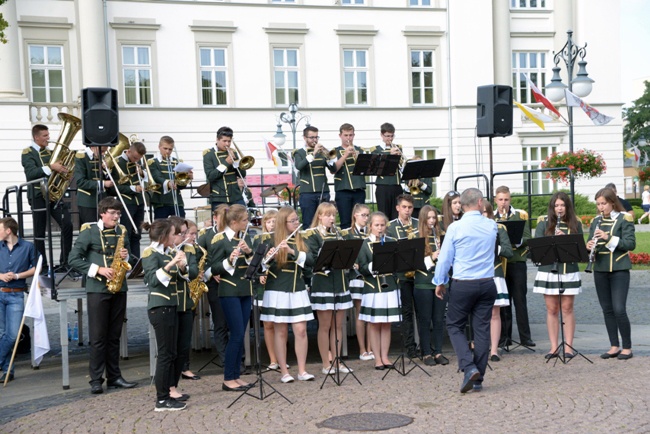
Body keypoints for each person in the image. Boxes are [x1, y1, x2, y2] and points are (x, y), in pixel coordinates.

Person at [68, 197, 137, 394]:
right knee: (98, 337)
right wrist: (98, 269)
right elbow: (73, 258)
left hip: (118, 287)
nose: (117, 217)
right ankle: (96, 380)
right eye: (113, 213)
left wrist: (126, 257)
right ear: (102, 213)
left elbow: (130, 258)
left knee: (114, 336)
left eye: (119, 214)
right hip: (97, 289)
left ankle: (114, 377)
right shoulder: (89, 232)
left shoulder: (122, 231)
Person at [434, 188, 497, 393]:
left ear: (462, 204)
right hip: (487, 282)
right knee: (481, 329)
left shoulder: (455, 228)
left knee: (454, 325)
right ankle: (478, 377)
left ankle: (469, 368)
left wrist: (440, 281)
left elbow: (445, 258)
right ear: (480, 203)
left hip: (464, 283)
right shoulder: (491, 225)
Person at [260, 207, 315, 382]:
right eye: (292, 221)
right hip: (277, 290)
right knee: (281, 331)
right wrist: (268, 259)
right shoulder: (268, 239)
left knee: (301, 330)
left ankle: (302, 370)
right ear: (284, 222)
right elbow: (259, 266)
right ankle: (284, 371)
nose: (296, 223)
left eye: (296, 220)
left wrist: (292, 252)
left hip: (297, 289)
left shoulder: (302, 238)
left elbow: (311, 260)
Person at [208, 204, 254, 391]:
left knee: (241, 334)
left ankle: (236, 375)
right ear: (234, 222)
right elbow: (213, 269)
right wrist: (229, 260)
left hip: (245, 289)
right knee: (235, 335)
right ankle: (228, 378)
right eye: (244, 220)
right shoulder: (219, 240)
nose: (247, 223)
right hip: (229, 291)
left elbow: (254, 264)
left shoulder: (245, 237)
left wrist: (249, 252)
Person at [304, 202, 354, 375]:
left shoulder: (338, 233)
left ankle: (338, 361)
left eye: (333, 215)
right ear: (319, 216)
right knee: (325, 326)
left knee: (338, 326)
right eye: (328, 215)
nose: (332, 218)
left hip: (340, 282)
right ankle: (326, 362)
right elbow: (312, 258)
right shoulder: (312, 234)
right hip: (323, 283)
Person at [141, 219, 186, 411]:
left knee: (171, 353)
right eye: (173, 233)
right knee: (165, 355)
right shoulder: (150, 252)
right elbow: (151, 279)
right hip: (160, 307)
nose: (176, 237)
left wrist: (182, 265)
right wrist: (172, 264)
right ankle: (161, 399)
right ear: (163, 236)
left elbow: (180, 277)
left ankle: (167, 394)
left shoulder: (166, 253)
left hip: (171, 305)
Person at [587, 187, 636, 360]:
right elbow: (590, 241)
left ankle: (627, 347)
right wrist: (589, 245)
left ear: (612, 203)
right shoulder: (596, 221)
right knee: (607, 309)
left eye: (604, 204)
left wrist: (609, 238)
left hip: (619, 269)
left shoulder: (624, 219)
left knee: (619, 309)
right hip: (600, 269)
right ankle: (614, 345)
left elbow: (630, 244)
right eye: (598, 204)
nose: (601, 207)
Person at [532, 192, 583, 359]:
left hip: (568, 270)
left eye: (562, 205)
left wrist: (566, 239)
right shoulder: (544, 224)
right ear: (552, 208)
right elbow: (538, 247)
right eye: (556, 206)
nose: (559, 209)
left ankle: (568, 346)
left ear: (567, 207)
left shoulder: (575, 223)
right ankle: (554, 346)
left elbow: (580, 247)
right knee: (552, 309)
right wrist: (552, 239)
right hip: (549, 270)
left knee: (567, 308)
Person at [21, 124, 73, 273]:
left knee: (67, 224)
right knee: (39, 232)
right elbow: (31, 173)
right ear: (36, 137)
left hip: (53, 195)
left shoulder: (50, 152)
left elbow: (57, 171)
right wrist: (51, 167)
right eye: (45, 136)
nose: (48, 138)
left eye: (48, 135)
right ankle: (41, 265)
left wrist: (63, 170)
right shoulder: (28, 153)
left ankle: (65, 262)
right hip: (38, 195)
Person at [356, 212, 400, 370]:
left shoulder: (392, 241)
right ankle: (377, 359)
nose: (380, 228)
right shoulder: (363, 244)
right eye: (376, 225)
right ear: (370, 227)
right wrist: (374, 264)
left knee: (387, 323)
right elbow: (361, 267)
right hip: (373, 287)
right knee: (374, 324)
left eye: (382, 225)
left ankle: (385, 356)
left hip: (389, 286)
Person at [494, 185, 535, 348]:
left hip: (517, 260)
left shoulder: (520, 215)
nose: (503, 203)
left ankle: (525, 337)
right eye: (500, 200)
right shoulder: (492, 217)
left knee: (520, 300)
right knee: (504, 302)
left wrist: (514, 238)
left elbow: (527, 238)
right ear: (495, 200)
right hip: (501, 262)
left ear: (510, 199)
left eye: (506, 199)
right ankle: (505, 337)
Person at [0, 217, 36, 383]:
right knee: (2, 334)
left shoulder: (28, 247)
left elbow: (37, 267)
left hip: (16, 294)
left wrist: (17, 275)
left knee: (13, 335)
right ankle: (8, 370)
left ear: (8, 231)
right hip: (0, 292)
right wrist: (1, 275)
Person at [413, 205, 448, 366]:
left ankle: (438, 351)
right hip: (423, 283)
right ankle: (426, 352)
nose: (432, 221)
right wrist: (432, 257)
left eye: (434, 218)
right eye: (429, 218)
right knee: (425, 319)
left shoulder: (441, 236)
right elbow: (413, 262)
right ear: (423, 219)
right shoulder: (415, 236)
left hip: (439, 281)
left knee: (439, 319)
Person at [167, 216, 197, 401]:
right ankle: (168, 387)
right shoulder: (162, 250)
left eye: (187, 232)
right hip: (168, 303)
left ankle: (174, 385)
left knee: (183, 347)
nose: (186, 236)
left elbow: (193, 272)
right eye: (182, 233)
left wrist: (184, 266)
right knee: (169, 349)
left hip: (185, 303)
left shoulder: (189, 249)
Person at [386, 194, 418, 358]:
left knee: (422, 312)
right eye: (404, 207)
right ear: (398, 208)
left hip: (419, 275)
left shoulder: (419, 224)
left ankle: (425, 347)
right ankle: (410, 347)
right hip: (402, 276)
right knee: (406, 312)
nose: (407, 210)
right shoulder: (390, 227)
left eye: (410, 207)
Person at [197, 205, 229, 366]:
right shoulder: (206, 235)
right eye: (222, 217)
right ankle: (225, 359)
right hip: (215, 284)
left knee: (235, 323)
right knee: (220, 322)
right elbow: (198, 258)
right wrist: (210, 272)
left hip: (232, 282)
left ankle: (239, 357)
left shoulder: (235, 234)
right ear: (215, 218)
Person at [341, 203, 373, 361]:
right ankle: (362, 349)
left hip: (371, 276)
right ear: (355, 215)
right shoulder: (347, 233)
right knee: (361, 313)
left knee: (371, 313)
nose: (366, 218)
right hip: (356, 277)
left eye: (368, 215)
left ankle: (371, 347)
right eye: (363, 215)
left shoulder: (371, 232)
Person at [482, 202, 513, 362]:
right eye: (481, 213)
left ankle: (494, 350)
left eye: (486, 213)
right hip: (477, 273)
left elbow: (509, 251)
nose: (484, 216)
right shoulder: (473, 229)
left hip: (494, 271)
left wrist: (496, 248)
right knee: (479, 313)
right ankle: (481, 347)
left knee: (495, 313)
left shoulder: (499, 228)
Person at [251, 209, 281, 370]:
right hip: (263, 285)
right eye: (269, 222)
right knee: (268, 324)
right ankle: (273, 360)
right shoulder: (259, 239)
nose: (272, 225)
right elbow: (255, 260)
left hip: (278, 283)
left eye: (275, 221)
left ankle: (281, 358)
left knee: (280, 324)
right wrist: (260, 274)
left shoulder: (283, 239)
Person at [113, 141, 148, 259]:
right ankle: (126, 262)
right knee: (126, 233)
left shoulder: (138, 163)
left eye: (138, 158)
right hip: (126, 202)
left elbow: (146, 182)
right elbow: (114, 187)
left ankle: (136, 261)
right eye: (134, 157)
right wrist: (133, 188)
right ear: (128, 151)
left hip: (139, 202)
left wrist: (142, 174)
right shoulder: (118, 162)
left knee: (137, 234)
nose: (136, 160)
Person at [328, 123, 366, 229]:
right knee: (345, 222)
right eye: (346, 135)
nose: (348, 138)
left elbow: (366, 170)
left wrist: (358, 157)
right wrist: (345, 155)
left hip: (358, 190)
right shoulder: (333, 152)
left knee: (360, 221)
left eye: (351, 135)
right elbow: (333, 170)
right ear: (340, 135)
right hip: (343, 190)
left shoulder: (360, 150)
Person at [203, 126, 248, 210]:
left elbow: (242, 174)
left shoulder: (233, 152)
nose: (227, 144)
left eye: (229, 141)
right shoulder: (209, 154)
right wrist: (226, 162)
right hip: (219, 197)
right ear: (217, 139)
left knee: (241, 217)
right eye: (224, 141)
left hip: (236, 196)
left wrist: (237, 162)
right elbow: (211, 176)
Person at [293, 126, 331, 227]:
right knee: (308, 223)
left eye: (316, 137)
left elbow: (333, 170)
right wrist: (314, 153)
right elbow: (299, 166)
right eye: (312, 137)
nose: (315, 140)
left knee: (324, 223)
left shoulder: (322, 152)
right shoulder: (299, 152)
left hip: (323, 192)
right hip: (307, 193)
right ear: (305, 138)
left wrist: (330, 159)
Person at [148, 136, 193, 219]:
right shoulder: (153, 162)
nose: (167, 151)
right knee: (161, 228)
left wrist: (187, 178)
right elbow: (157, 177)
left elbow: (181, 186)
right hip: (161, 200)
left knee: (180, 225)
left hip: (176, 200)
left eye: (170, 149)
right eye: (165, 148)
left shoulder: (177, 162)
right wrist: (168, 183)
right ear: (159, 147)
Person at [181, 220, 202, 381]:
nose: (194, 237)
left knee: (186, 333)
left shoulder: (195, 249)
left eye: (196, 233)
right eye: (192, 233)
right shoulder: (181, 249)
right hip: (179, 293)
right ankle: (180, 367)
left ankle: (185, 366)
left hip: (191, 293)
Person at [371, 122, 403, 220]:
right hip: (383, 186)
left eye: (392, 136)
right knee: (383, 216)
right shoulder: (375, 149)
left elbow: (401, 166)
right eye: (387, 136)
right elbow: (375, 166)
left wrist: (400, 159)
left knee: (396, 216)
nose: (390, 139)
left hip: (396, 185)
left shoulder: (398, 147)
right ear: (381, 135)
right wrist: (389, 154)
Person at [74, 146, 113, 225]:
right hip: (87, 201)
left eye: (104, 152)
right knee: (90, 229)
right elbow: (80, 182)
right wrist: (103, 183)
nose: (103, 154)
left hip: (103, 200)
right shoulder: (82, 156)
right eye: (101, 151)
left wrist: (107, 169)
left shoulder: (102, 158)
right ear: (94, 147)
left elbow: (107, 177)